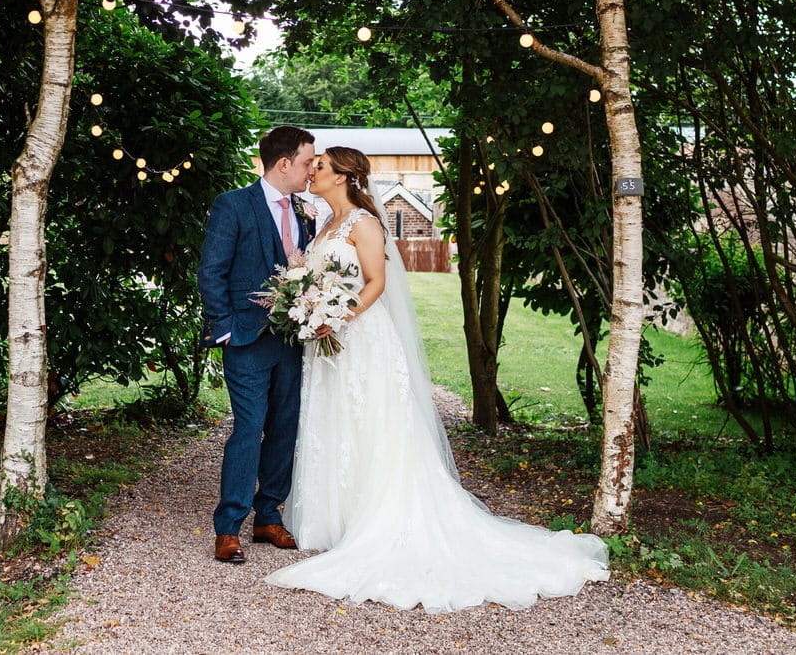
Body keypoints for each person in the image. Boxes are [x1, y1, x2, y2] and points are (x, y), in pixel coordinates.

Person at [263, 146, 610, 611]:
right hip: (330, 347)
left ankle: (379, 521)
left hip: (361, 339)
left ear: (344, 176)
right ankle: (336, 519)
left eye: (321, 166)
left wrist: (336, 315)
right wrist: (308, 306)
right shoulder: (324, 223)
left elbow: (375, 283)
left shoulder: (363, 224)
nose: (314, 171)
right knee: (337, 422)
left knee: (373, 423)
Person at [198, 125, 318, 565]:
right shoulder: (233, 205)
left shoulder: (306, 212)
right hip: (246, 339)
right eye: (307, 162)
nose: (312, 170)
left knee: (286, 427)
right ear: (284, 163)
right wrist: (224, 327)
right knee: (249, 428)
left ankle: (268, 516)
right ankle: (228, 527)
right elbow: (211, 271)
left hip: (293, 340)